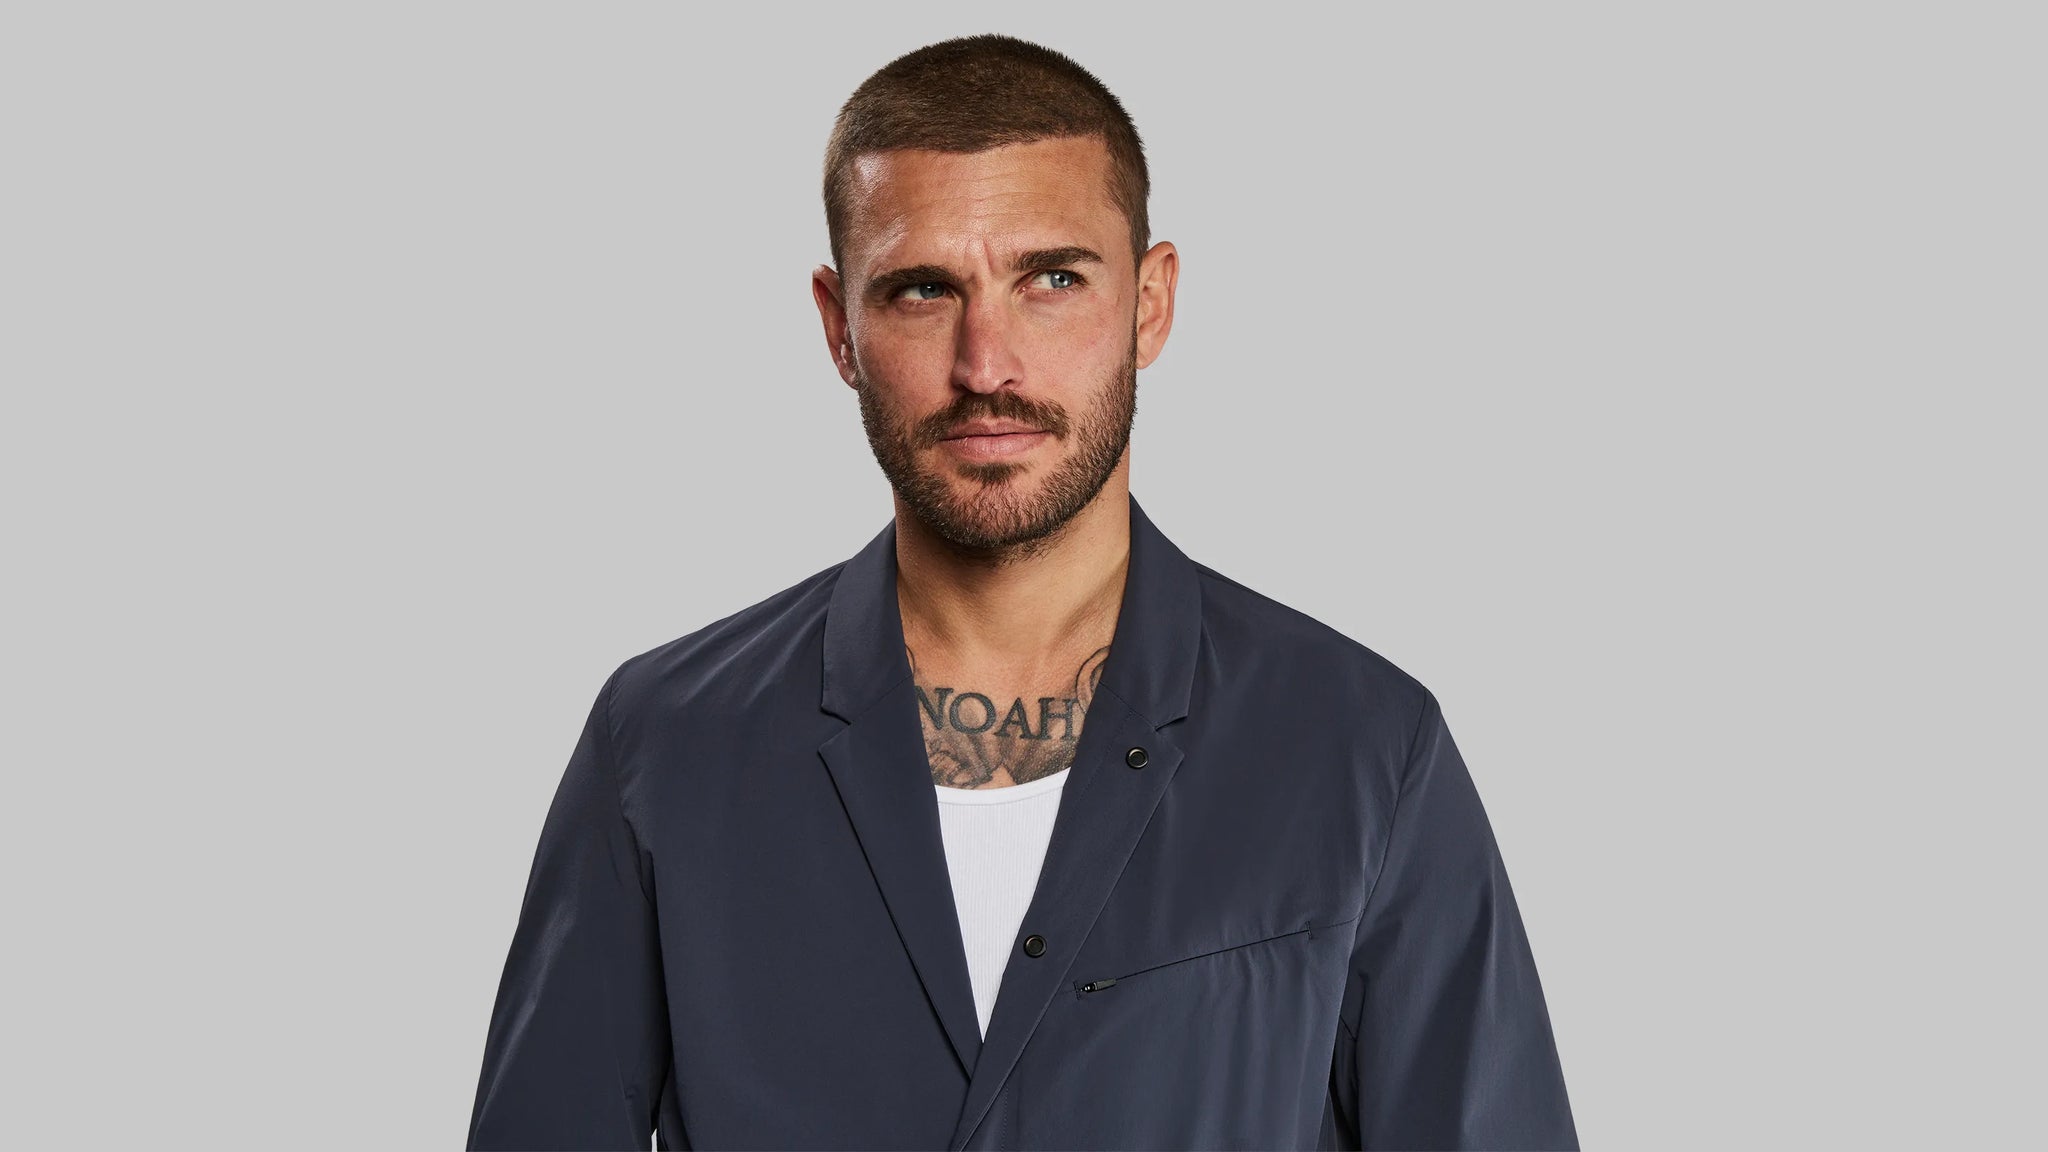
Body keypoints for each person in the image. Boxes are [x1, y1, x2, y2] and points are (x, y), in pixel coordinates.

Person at [466, 32, 1576, 1151]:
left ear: (1150, 303)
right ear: (839, 327)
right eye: (920, 290)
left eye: (1052, 280)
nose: (985, 364)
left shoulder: (1362, 747)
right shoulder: (664, 746)